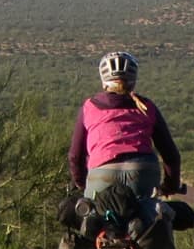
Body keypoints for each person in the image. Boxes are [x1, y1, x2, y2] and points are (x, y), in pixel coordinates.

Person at [69, 50, 181, 205]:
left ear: (103, 79)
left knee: (93, 212)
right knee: (150, 213)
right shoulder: (146, 106)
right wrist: (170, 185)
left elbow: (75, 155)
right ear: (133, 80)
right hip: (142, 171)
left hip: (102, 172)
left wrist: (81, 183)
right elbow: (170, 154)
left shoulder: (90, 107)